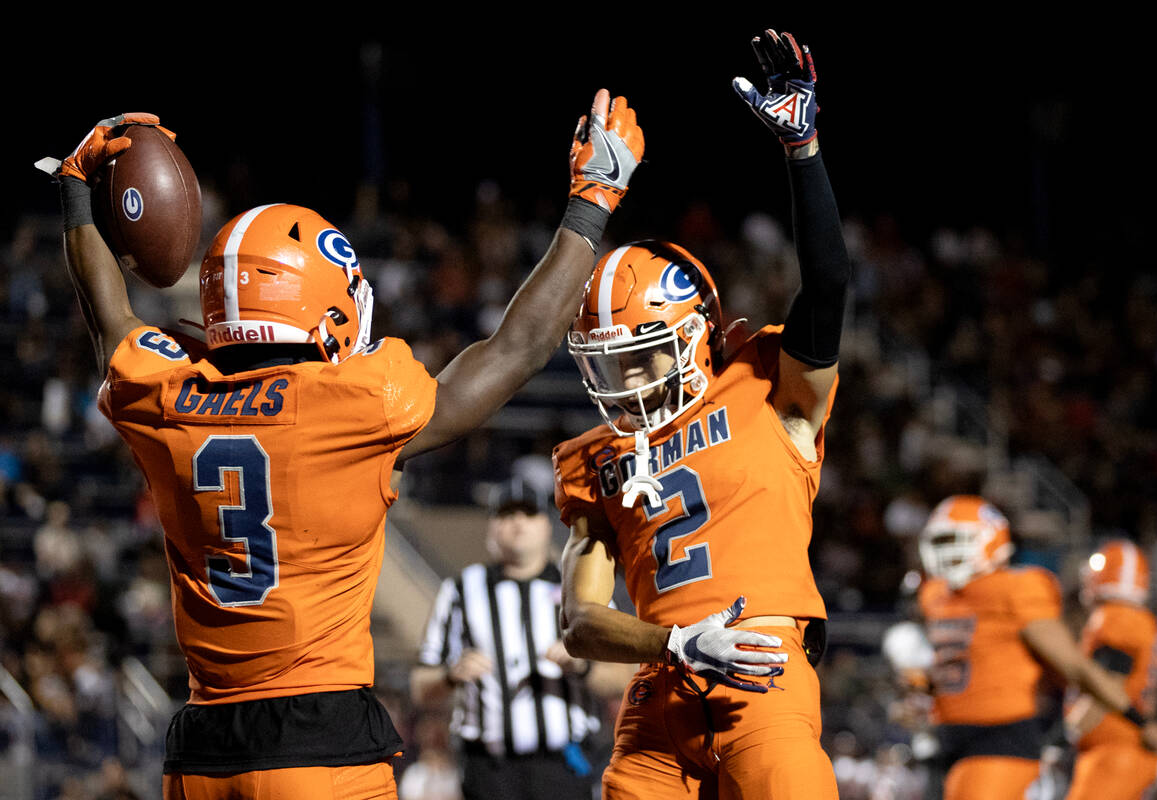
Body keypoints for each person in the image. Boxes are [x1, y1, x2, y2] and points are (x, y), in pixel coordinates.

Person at [40, 91, 642, 800]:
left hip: (202, 752)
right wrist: (590, 202)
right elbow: (517, 348)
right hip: (319, 748)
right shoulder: (351, 401)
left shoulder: (164, 395)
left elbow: (109, 320)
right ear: (318, 305)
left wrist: (78, 194)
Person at [554, 29, 848, 798]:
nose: (621, 376)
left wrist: (804, 153)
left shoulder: (764, 388)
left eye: (639, 351)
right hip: (660, 690)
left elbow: (828, 288)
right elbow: (578, 624)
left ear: (693, 335)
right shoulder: (596, 454)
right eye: (605, 358)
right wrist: (676, 641)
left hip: (764, 673)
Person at [916, 495, 1157, 800]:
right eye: (940, 541)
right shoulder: (936, 594)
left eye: (954, 539)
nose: (946, 550)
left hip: (1011, 736)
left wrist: (1131, 724)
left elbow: (1083, 670)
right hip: (950, 733)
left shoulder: (1030, 592)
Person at [412, 476, 600, 800]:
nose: (517, 523)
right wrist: (450, 675)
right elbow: (420, 688)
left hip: (564, 766)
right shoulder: (460, 590)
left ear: (547, 523)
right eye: (506, 514)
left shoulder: (580, 588)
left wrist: (582, 667)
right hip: (488, 769)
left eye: (528, 513)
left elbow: (624, 677)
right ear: (491, 527)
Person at [1064, 539, 1157, 800]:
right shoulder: (1142, 619)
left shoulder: (1117, 617)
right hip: (1126, 749)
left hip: (1113, 752)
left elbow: (1107, 683)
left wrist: (1066, 734)